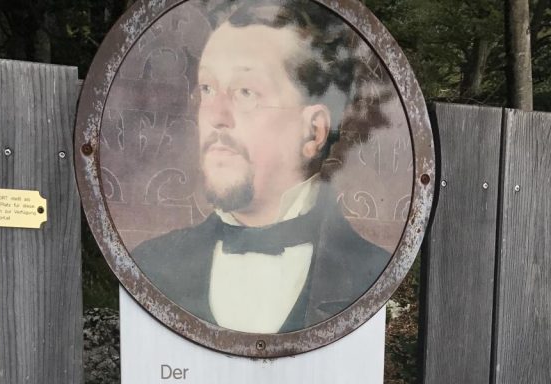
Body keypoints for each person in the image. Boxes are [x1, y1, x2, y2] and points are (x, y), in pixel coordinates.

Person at [131, 0, 390, 334]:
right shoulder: (151, 264)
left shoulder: (374, 273)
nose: (216, 117)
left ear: (313, 131)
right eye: (207, 88)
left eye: (245, 92)